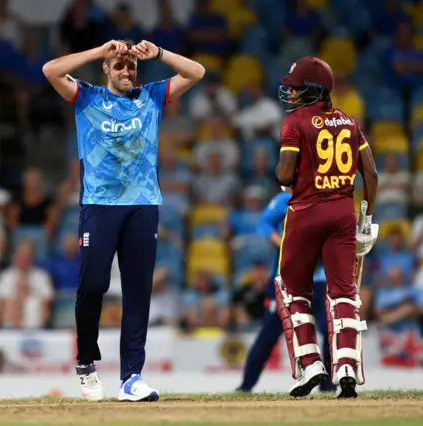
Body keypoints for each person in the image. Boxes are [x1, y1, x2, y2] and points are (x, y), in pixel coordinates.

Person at [42, 39, 204, 401]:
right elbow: (50, 70)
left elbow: (196, 72)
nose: (127, 71)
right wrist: (100, 51)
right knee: (93, 287)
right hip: (99, 206)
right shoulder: (86, 97)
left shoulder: (152, 96)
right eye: (119, 66)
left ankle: (131, 377)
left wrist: (160, 54)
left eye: (131, 66)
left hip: (143, 205)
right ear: (107, 69)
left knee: (137, 292)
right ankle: (86, 363)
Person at [275, 57, 379, 398]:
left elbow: (285, 175)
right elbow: (372, 174)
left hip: (306, 211)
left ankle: (311, 364)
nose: (289, 92)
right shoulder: (350, 121)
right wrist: (367, 216)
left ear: (313, 89)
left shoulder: (295, 122)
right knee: (344, 291)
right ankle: (347, 365)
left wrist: (286, 176)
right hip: (342, 212)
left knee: (292, 290)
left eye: (295, 86)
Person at [237, 190, 336, 393]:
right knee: (268, 335)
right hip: (285, 279)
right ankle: (245, 386)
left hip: (319, 280)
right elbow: (264, 224)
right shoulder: (285, 199)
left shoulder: (328, 196)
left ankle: (327, 388)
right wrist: (284, 244)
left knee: (328, 331)